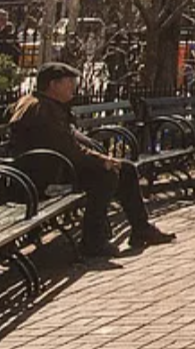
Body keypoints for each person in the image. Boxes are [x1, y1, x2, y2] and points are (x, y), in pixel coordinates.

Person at [10, 62, 174, 264]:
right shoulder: (41, 109)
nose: (73, 86)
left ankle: (140, 229)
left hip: (57, 167)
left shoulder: (45, 104)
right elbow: (67, 148)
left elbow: (69, 137)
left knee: (126, 169)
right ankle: (93, 241)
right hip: (46, 178)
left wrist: (98, 153)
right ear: (53, 84)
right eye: (69, 82)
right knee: (106, 176)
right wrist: (101, 160)